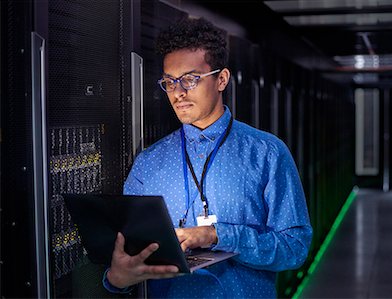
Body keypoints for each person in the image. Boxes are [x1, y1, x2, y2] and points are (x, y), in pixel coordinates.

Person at [103, 16, 313, 298]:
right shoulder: (148, 163)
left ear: (221, 79)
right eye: (169, 82)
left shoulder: (267, 153)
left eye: (190, 79)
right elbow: (128, 253)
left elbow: (294, 248)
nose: (178, 92)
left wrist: (219, 236)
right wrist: (118, 279)